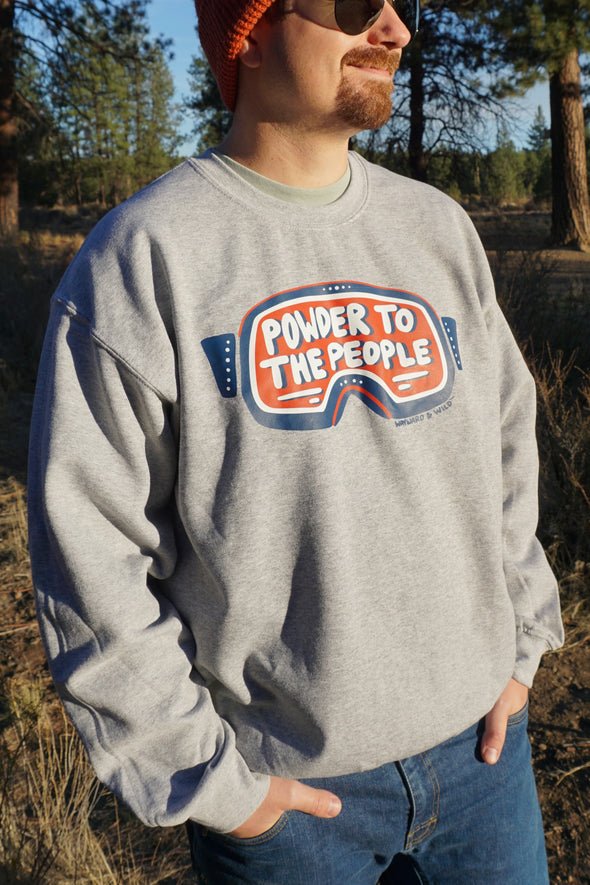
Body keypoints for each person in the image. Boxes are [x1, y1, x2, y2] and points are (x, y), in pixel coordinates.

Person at [27, 0, 565, 882]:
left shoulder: (435, 229)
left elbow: (507, 445)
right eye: (356, 4)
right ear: (251, 27)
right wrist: (213, 782)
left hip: (484, 762)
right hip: (289, 808)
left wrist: (521, 647)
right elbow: (89, 550)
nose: (393, 31)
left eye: (404, 5)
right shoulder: (145, 256)